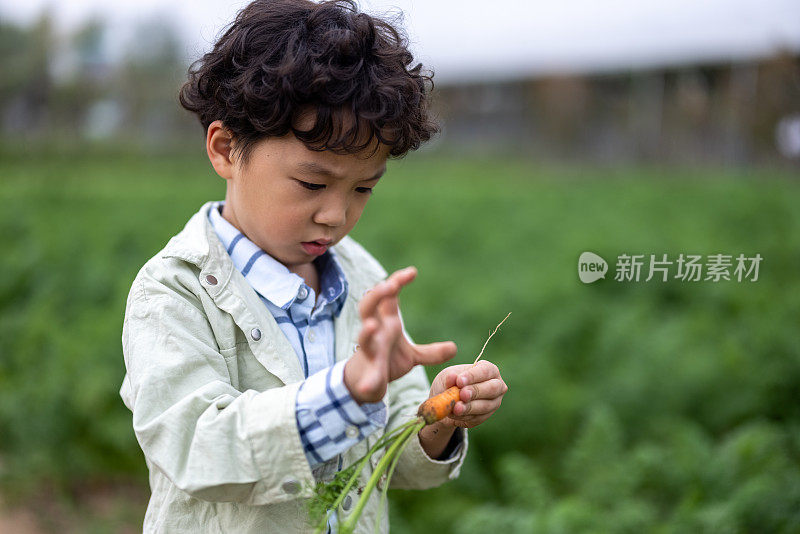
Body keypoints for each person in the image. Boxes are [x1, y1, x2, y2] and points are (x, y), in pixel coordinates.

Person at [119, 1, 508, 532]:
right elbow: (195, 448)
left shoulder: (361, 276)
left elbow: (395, 450)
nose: (336, 214)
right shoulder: (174, 292)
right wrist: (343, 393)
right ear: (227, 149)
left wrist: (438, 417)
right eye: (312, 184)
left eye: (363, 188)